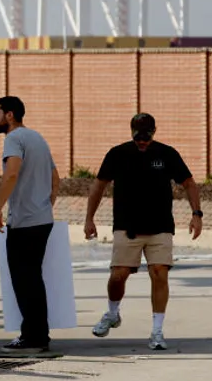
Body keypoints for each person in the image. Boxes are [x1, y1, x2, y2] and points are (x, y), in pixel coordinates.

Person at [85, 113, 203, 351]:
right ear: (131, 133)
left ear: (154, 132)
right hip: (127, 227)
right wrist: (89, 218)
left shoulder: (167, 154)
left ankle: (157, 331)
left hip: (160, 227)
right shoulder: (117, 154)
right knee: (118, 275)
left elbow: (189, 183)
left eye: (146, 138)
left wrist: (196, 214)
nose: (142, 142)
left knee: (159, 273)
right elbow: (99, 185)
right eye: (138, 138)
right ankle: (112, 313)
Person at [0, 96, 59, 356]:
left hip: (23, 223)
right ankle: (38, 335)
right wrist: (45, 203)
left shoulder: (14, 139)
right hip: (42, 220)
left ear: (9, 115)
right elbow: (56, 178)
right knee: (33, 279)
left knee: (24, 281)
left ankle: (32, 337)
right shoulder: (37, 137)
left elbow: (11, 173)